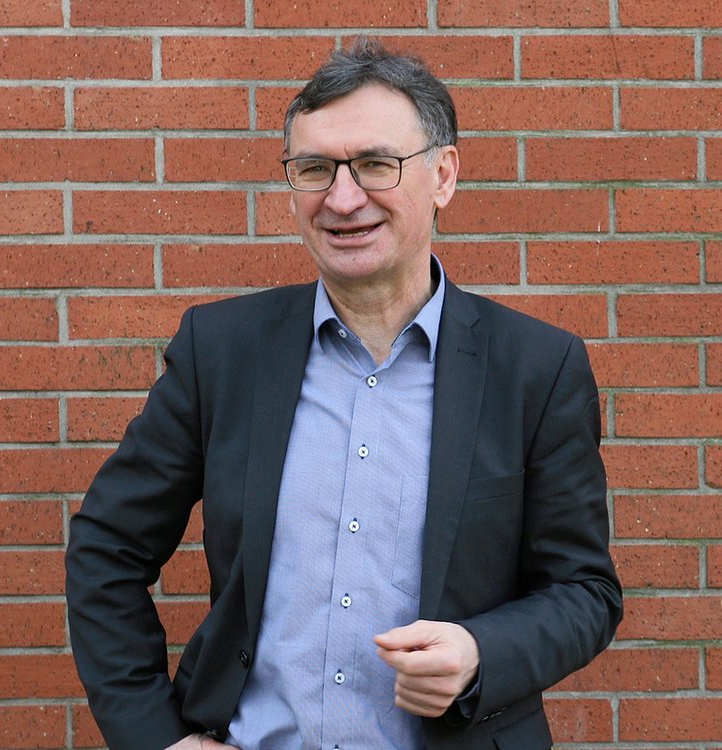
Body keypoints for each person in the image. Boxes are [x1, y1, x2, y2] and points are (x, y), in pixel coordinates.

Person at [65, 37, 622, 750]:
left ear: (443, 175)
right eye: (315, 169)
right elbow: (107, 548)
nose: (342, 198)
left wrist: (481, 653)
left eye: (375, 164)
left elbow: (584, 592)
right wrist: (157, 739)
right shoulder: (223, 351)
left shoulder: (536, 369)